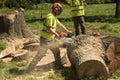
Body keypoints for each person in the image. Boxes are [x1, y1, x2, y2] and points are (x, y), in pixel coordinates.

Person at [25, 2, 72, 73]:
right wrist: (57, 34)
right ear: (56, 10)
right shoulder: (50, 17)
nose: (60, 11)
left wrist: (68, 31)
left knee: (56, 52)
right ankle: (29, 69)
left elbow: (60, 25)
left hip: (50, 39)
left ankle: (58, 66)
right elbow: (49, 29)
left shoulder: (54, 17)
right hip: (45, 39)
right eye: (59, 10)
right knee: (40, 54)